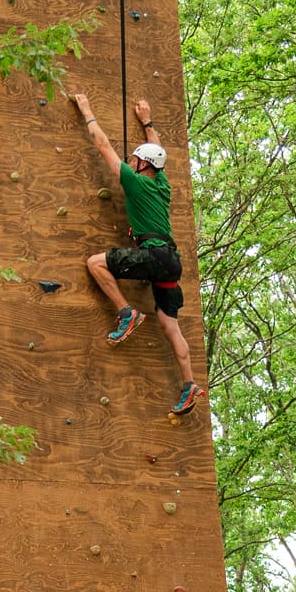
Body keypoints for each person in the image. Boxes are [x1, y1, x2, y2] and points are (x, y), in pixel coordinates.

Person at [71, 92, 205, 416]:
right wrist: (147, 122)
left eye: (134, 159)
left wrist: (87, 110)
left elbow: (103, 145)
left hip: (154, 257)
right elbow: (158, 153)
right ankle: (189, 384)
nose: (129, 161)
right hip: (171, 264)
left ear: (142, 165)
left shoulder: (134, 182)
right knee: (169, 324)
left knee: (95, 263)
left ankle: (126, 312)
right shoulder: (162, 185)